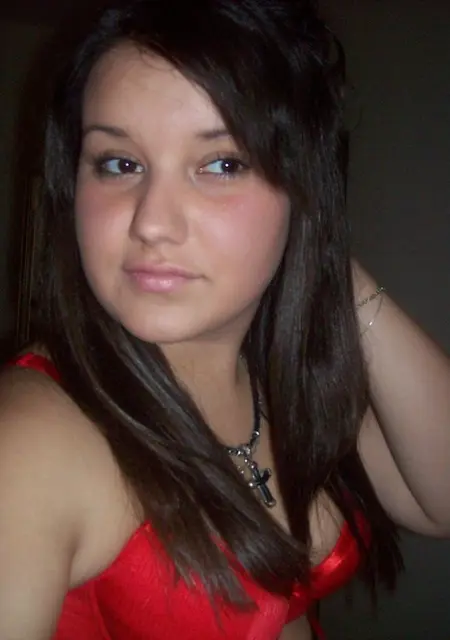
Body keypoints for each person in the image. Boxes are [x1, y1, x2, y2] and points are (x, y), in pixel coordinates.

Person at [0, 0, 449, 638]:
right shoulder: (31, 439)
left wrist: (326, 264)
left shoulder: (286, 377)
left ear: (303, 189)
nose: (152, 222)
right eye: (119, 163)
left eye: (222, 164)